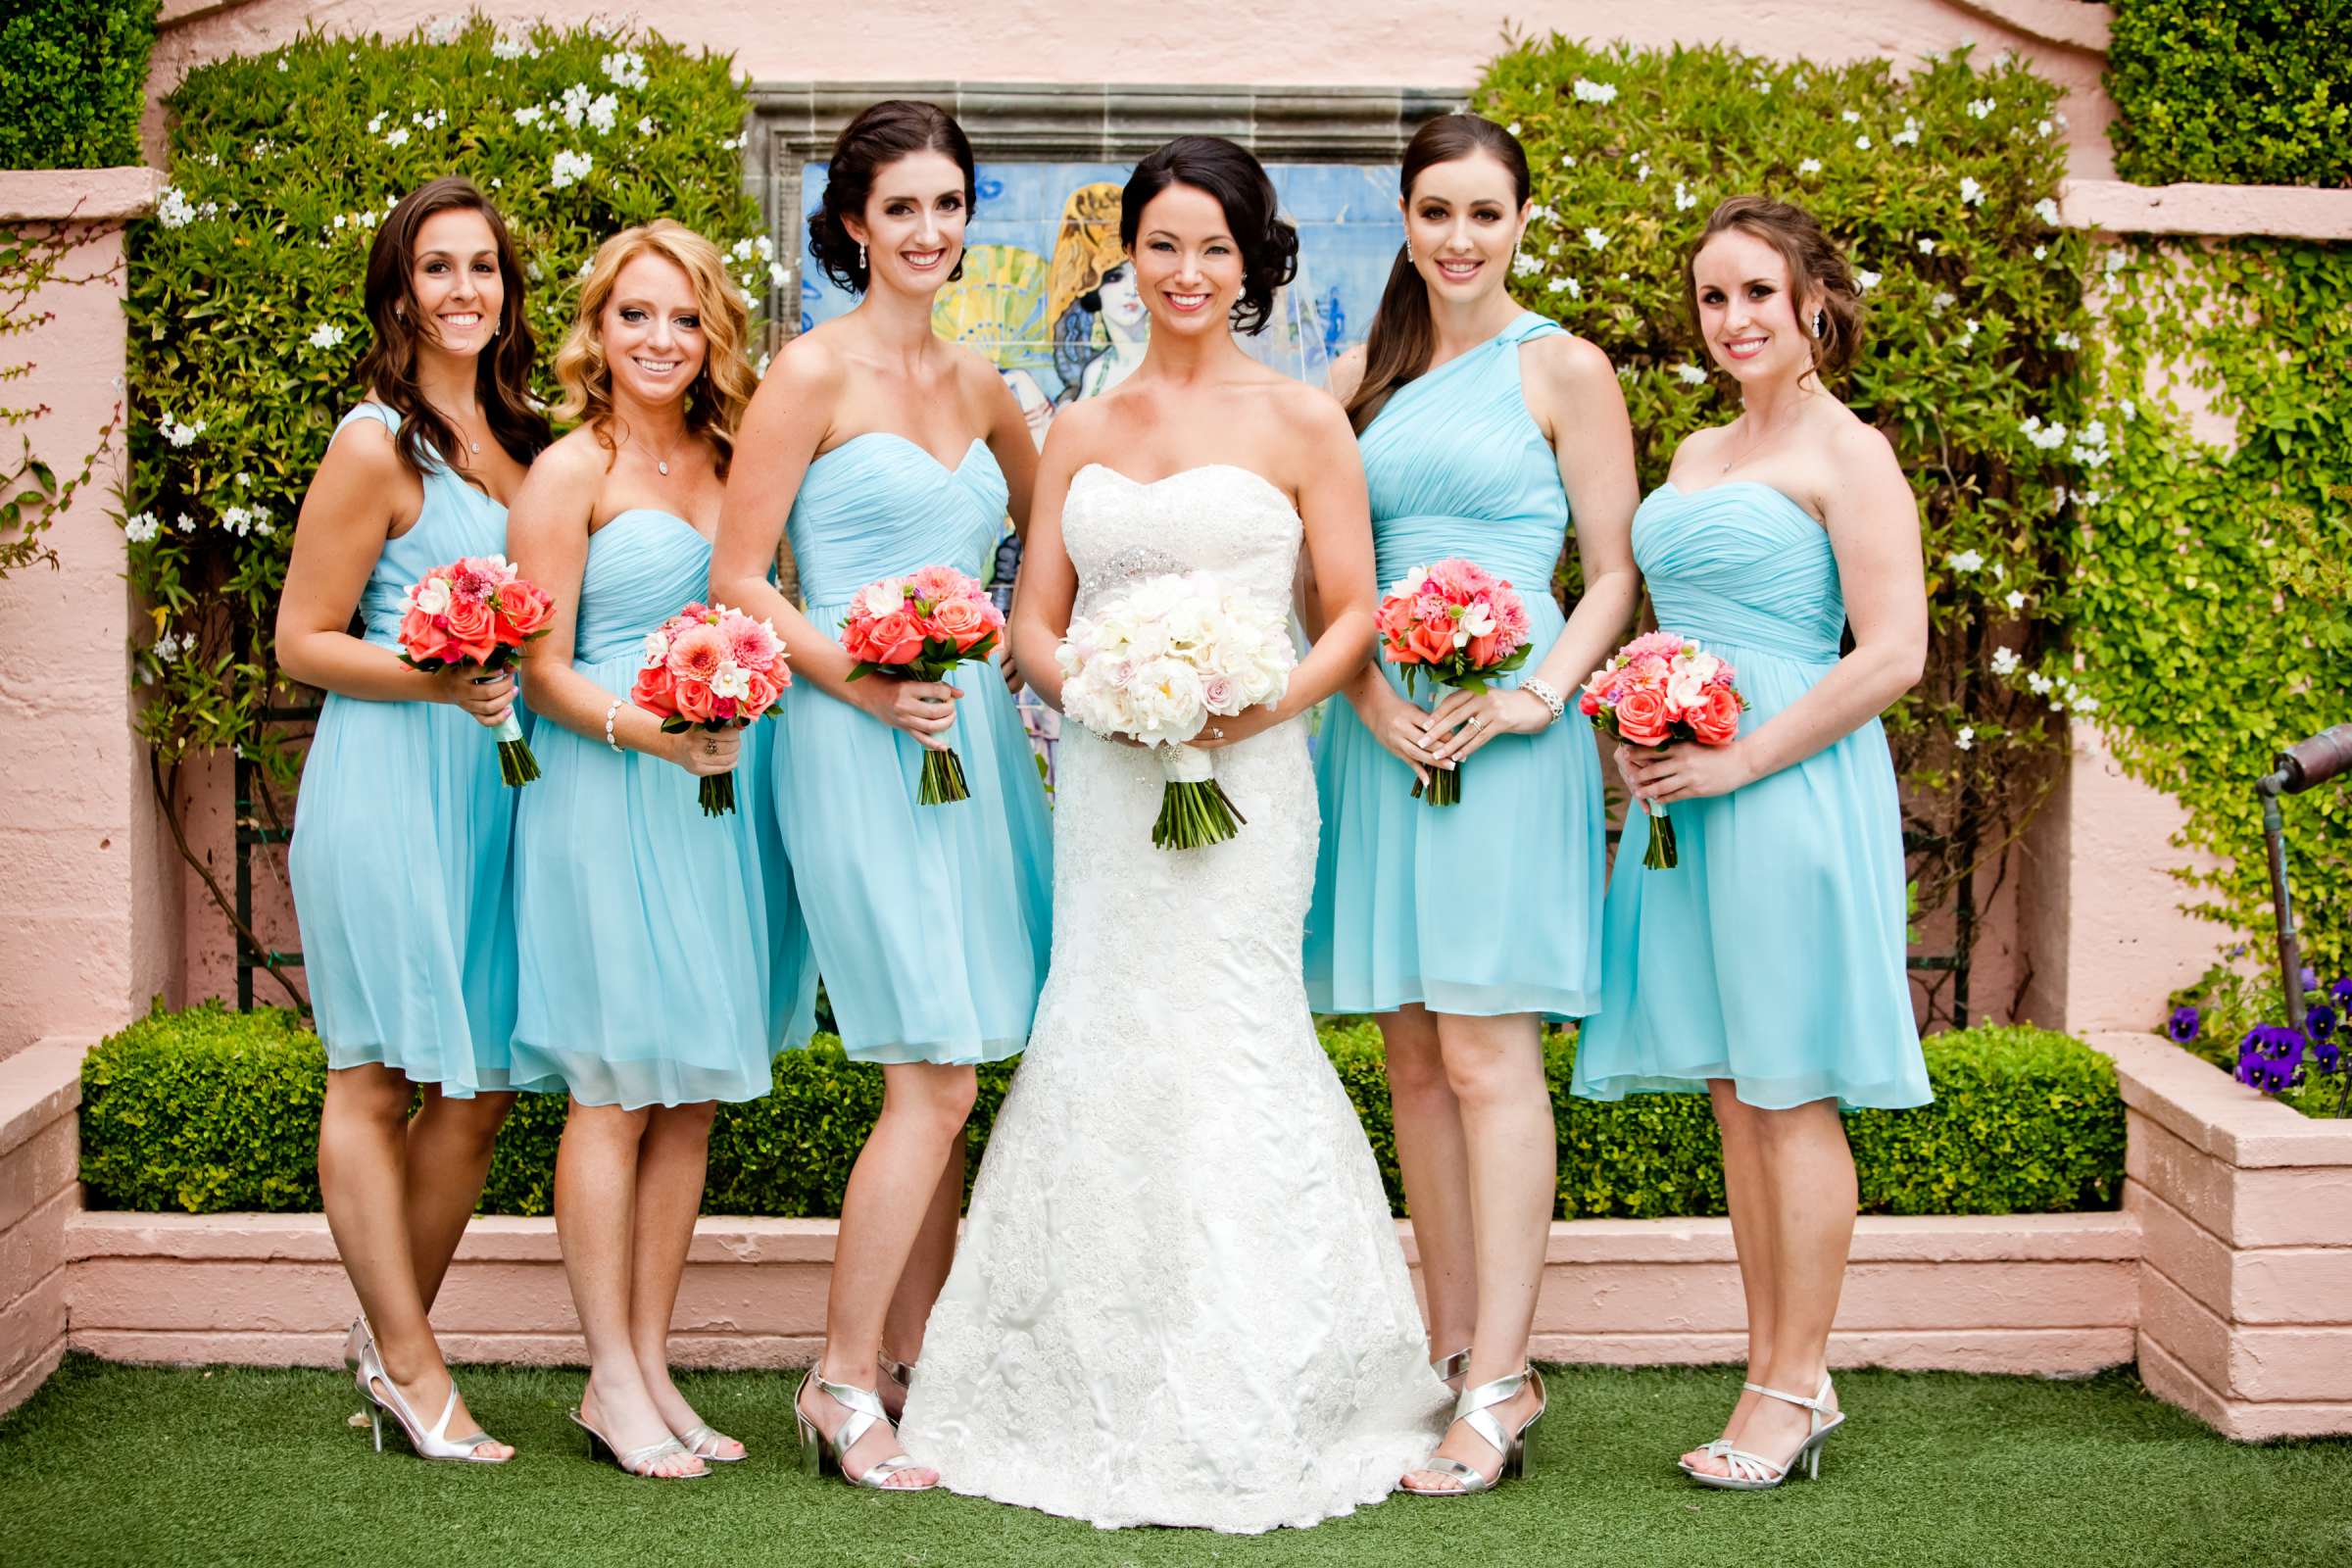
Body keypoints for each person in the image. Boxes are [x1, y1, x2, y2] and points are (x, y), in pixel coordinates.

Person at [899, 134, 1449, 1535]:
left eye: (1215, 246)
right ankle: (1074, 1375)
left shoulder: (1304, 422)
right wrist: (1097, 691)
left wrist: (1245, 710)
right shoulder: (1078, 426)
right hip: (1108, 774)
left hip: (1252, 782)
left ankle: (1280, 1375)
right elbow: (1033, 613)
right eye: (1162, 245)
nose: (1186, 271)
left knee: (1232, 1033)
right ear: (1126, 259)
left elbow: (1353, 616)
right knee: (1106, 1028)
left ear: (1255, 261)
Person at [709, 99, 1051, 1492]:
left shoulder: (986, 390)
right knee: (934, 1068)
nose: (928, 231)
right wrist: (859, 676)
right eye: (900, 206)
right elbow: (739, 577)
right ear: (853, 222)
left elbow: (1061, 537)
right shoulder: (810, 373)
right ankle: (842, 1377)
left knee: (961, 1054)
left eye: (949, 205)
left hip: (970, 748)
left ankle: (923, 1364)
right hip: (855, 740)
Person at [1571, 195, 1932, 1491]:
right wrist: (1636, 726)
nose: (1734, 320)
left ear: (1813, 304)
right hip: (1686, 796)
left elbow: (1894, 651)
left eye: (1758, 296)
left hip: (1785, 787)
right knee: (1736, 1093)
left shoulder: (1854, 453)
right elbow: (1670, 618)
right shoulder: (1696, 451)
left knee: (1789, 1089)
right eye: (1714, 298)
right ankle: (1788, 1365)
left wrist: (1736, 763)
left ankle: (1787, 1387)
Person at [1307, 112, 1641, 1495]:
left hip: (1506, 739)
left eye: (1484, 214)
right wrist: (1364, 700)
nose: (1458, 238)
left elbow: (1614, 570)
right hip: (1384, 738)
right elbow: (1311, 571)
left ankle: (1503, 1379)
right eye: (1435, 211)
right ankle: (1450, 1351)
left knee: (1492, 1055)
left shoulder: (1563, 366)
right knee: (1413, 1059)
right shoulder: (1357, 382)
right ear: (1402, 217)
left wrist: (1537, 695)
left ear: (1519, 223)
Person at [505, 220, 791, 1480]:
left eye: (683, 318)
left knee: (687, 1100)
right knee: (614, 1089)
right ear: (597, 331)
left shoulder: (738, 463)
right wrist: (650, 730)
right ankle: (605, 1375)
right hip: (606, 789)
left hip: (712, 799)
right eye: (636, 316)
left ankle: (653, 1362)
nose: (661, 340)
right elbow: (540, 669)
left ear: (712, 331)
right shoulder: (571, 472)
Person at [278, 175, 550, 1463]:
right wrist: (436, 672)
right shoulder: (372, 443)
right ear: (399, 292)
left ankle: (393, 1344)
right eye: (437, 269)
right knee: (377, 1073)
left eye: (482, 267)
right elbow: (300, 642)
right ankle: (419, 1369)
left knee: (485, 1086)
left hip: (498, 793)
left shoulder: (532, 438)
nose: (464, 291)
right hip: (390, 782)